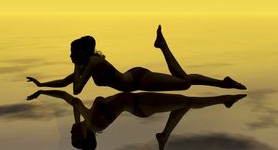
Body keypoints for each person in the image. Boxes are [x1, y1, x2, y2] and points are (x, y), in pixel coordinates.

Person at [26, 25, 246, 95]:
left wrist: (76, 65)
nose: (70, 56)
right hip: (133, 76)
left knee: (184, 84)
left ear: (83, 53)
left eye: (73, 53)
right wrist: (41, 85)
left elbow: (76, 90)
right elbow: (66, 83)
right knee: (184, 79)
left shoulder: (91, 62)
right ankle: (223, 83)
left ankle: (163, 46)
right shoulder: (87, 64)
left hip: (138, 81)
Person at [26, 89, 246, 150]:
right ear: (84, 136)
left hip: (139, 101)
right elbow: (74, 105)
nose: (71, 132)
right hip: (142, 105)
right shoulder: (94, 123)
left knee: (182, 103)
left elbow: (68, 97)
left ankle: (164, 136)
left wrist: (42, 91)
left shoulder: (87, 116)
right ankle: (224, 100)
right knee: (185, 101)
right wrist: (75, 113)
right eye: (74, 136)